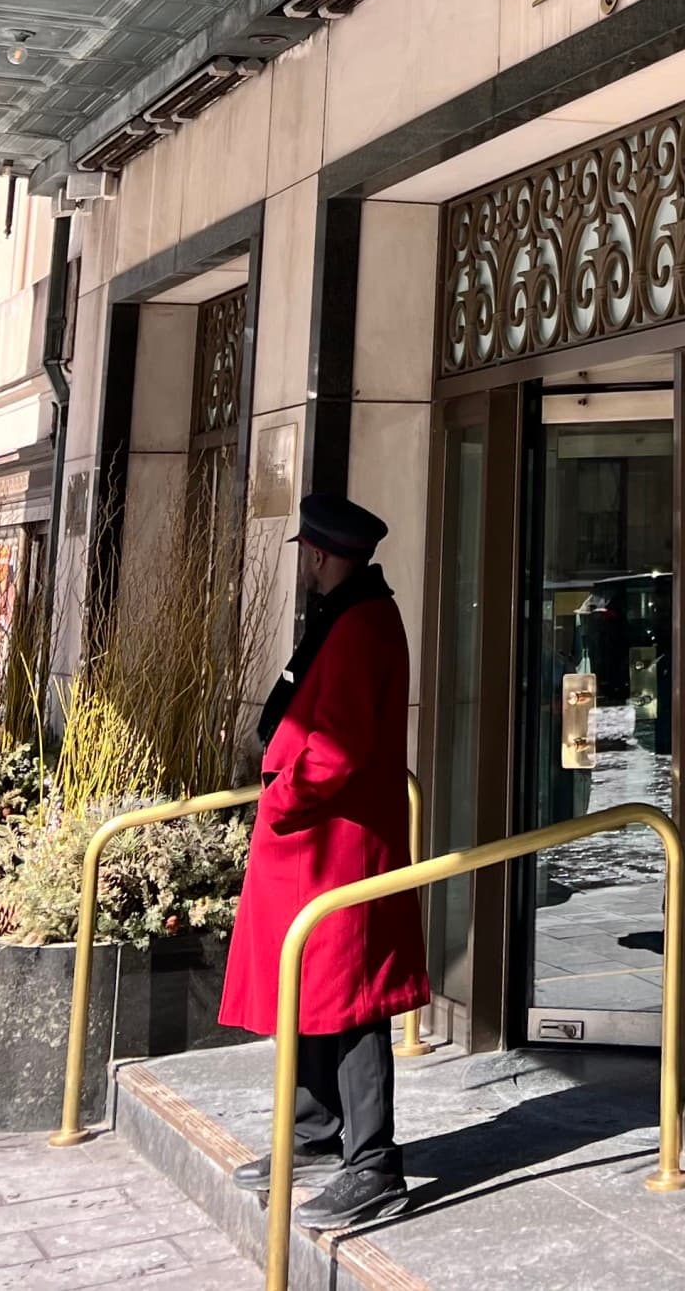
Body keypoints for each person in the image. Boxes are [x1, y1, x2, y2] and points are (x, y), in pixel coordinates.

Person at [221, 492, 428, 1230]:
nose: (304, 563)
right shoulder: (351, 614)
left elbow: (335, 748)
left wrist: (279, 802)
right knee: (310, 987)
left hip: (335, 840)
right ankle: (314, 1134)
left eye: (308, 551)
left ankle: (374, 1163)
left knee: (353, 1000)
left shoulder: (363, 623)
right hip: (318, 841)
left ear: (321, 553)